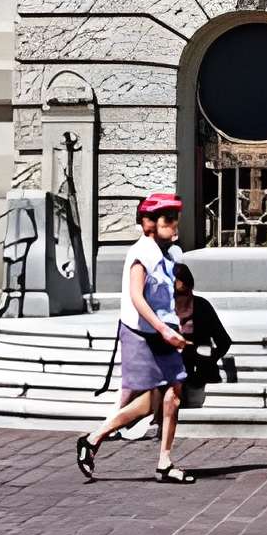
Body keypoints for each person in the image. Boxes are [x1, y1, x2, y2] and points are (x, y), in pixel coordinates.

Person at [77, 192, 217, 482]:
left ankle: (164, 462)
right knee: (147, 405)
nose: (175, 224)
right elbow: (137, 298)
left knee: (173, 397)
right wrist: (165, 330)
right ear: (148, 223)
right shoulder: (142, 254)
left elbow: (170, 295)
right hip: (141, 336)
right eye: (168, 219)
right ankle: (93, 438)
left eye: (176, 218)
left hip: (163, 335)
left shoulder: (169, 253)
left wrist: (177, 326)